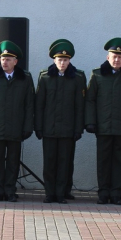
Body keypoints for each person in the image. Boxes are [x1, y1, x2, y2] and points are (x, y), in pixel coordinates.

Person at [85, 38, 121, 205]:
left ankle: (117, 193)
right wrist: (91, 122)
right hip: (103, 127)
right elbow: (90, 100)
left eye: (120, 56)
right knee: (103, 161)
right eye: (114, 56)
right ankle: (103, 193)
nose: (117, 60)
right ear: (107, 57)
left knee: (120, 162)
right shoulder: (97, 74)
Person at [0, 40, 35, 203]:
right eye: (3, 59)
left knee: (13, 161)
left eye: (9, 59)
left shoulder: (25, 78)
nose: (5, 62)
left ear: (15, 62)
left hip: (16, 128)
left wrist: (27, 127)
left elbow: (29, 105)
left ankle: (10, 190)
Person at [35, 40, 84, 203]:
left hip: (68, 130)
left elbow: (79, 106)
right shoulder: (45, 78)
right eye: (59, 60)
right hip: (49, 129)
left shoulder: (77, 78)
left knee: (65, 164)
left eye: (65, 60)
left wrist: (78, 129)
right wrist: (38, 127)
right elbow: (39, 105)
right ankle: (50, 193)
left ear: (69, 61)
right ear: (54, 60)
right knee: (49, 163)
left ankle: (61, 193)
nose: (62, 63)